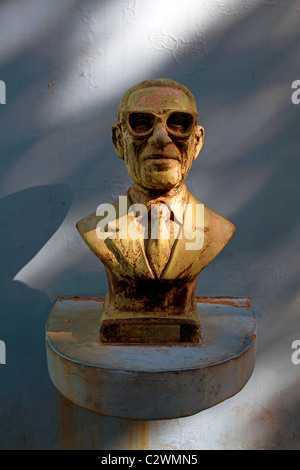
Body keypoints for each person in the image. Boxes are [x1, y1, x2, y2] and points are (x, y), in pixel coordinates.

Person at [76, 78, 235, 343]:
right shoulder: (97, 227)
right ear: (119, 140)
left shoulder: (216, 229)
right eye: (141, 124)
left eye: (178, 124)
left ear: (196, 141)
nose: (161, 137)